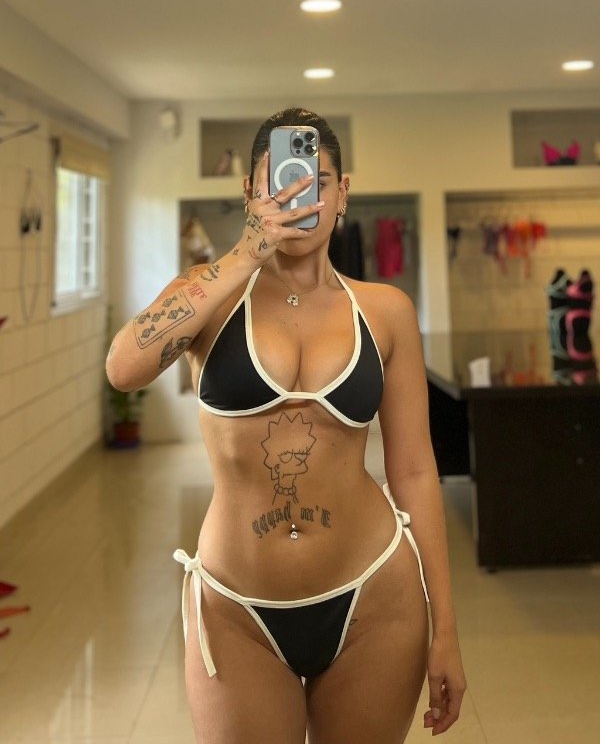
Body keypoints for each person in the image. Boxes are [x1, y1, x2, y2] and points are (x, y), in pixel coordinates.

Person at [106, 108, 466, 743]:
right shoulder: (210, 296)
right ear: (250, 192)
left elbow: (413, 469)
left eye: (316, 182)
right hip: (236, 609)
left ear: (342, 192)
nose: (299, 197)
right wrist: (247, 251)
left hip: (375, 597)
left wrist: (447, 627)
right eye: (280, 183)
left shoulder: (385, 311)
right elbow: (123, 368)